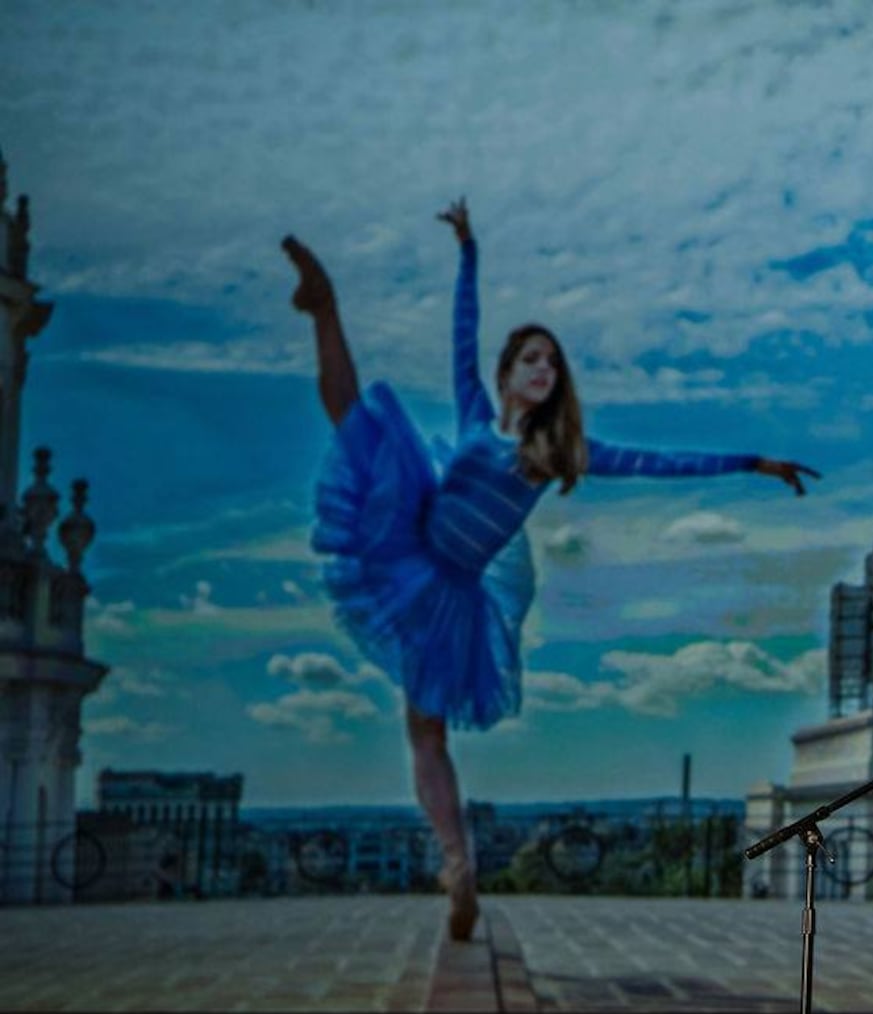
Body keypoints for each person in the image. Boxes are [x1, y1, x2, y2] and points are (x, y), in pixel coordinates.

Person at [281, 198, 819, 942]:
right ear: (508, 374)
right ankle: (324, 305)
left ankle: (458, 864)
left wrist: (751, 462)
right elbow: (461, 330)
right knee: (358, 417)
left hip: (450, 594)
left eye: (552, 362)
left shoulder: (556, 452)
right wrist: (468, 251)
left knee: (426, 734)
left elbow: (661, 464)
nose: (544, 368)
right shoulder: (474, 410)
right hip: (413, 532)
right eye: (531, 358)